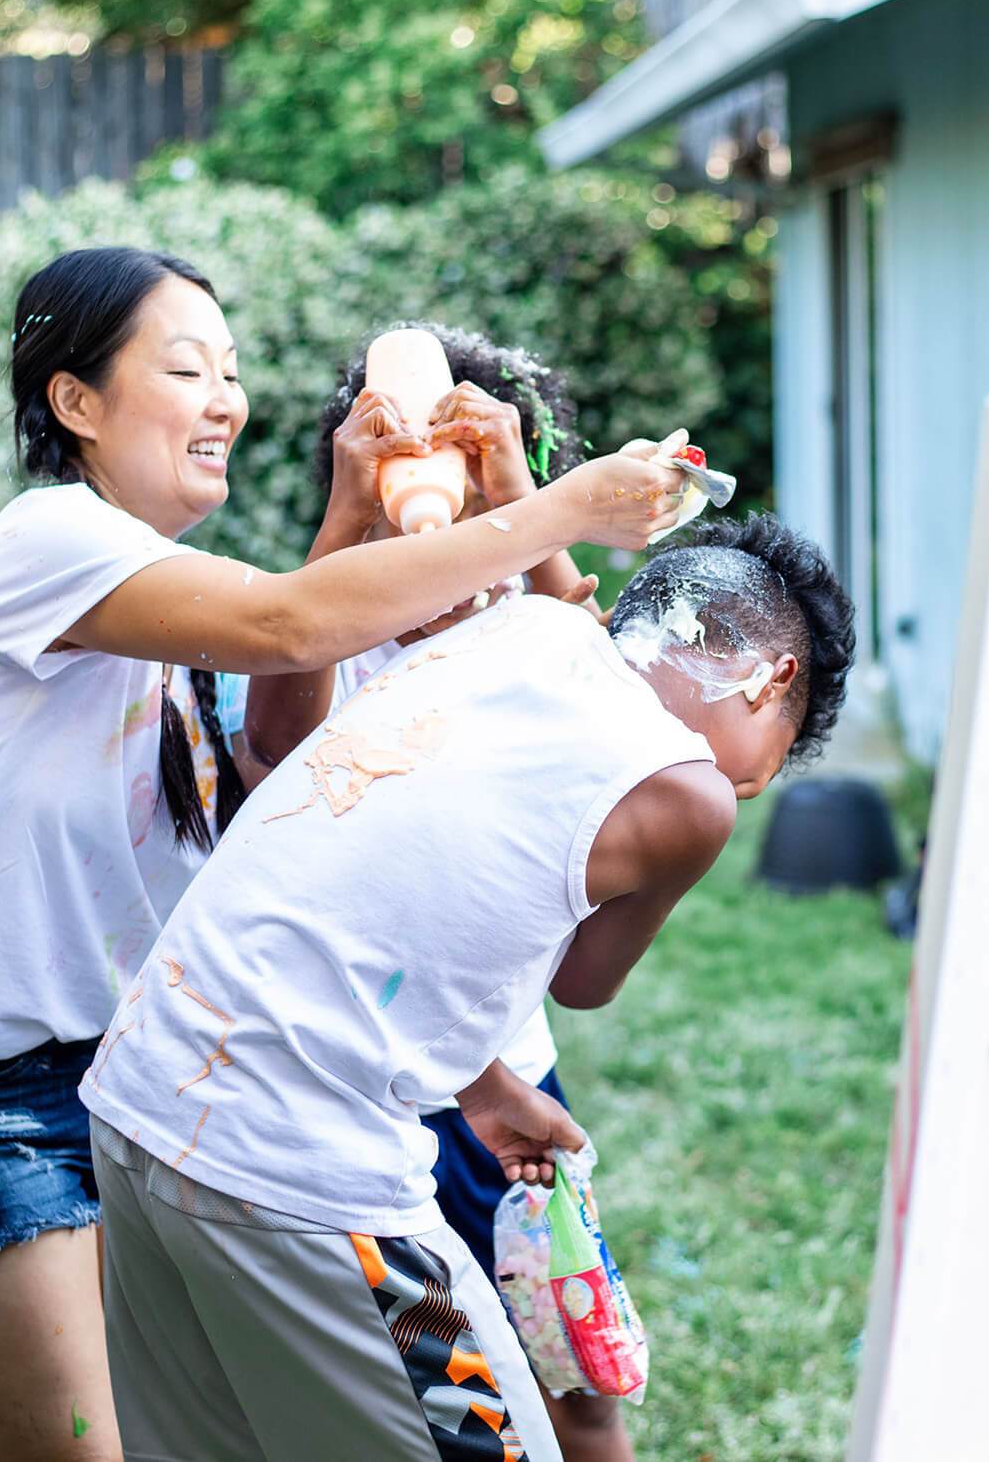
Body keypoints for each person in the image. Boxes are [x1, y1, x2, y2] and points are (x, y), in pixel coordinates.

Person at [0, 246, 691, 1462]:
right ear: (74, 403)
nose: (226, 398)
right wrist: (555, 512)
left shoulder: (180, 611)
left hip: (140, 1086)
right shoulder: (47, 542)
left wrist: (482, 1087)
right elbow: (286, 622)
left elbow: (271, 826)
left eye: (232, 372)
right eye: (187, 368)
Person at [81, 514, 856, 1462]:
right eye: (760, 772)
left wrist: (485, 1090)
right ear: (774, 679)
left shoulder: (512, 632)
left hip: (140, 1094)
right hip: (296, 1163)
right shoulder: (684, 793)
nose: (735, 787)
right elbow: (583, 982)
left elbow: (368, 897)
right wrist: (710, 801)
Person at [245, 324, 632, 1461]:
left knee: (572, 1367)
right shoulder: (337, 617)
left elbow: (622, 718)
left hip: (501, 1086)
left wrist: (532, 505)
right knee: (428, 1378)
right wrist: (346, 525)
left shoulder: (533, 625)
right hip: (368, 1091)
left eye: (474, 492)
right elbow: (273, 742)